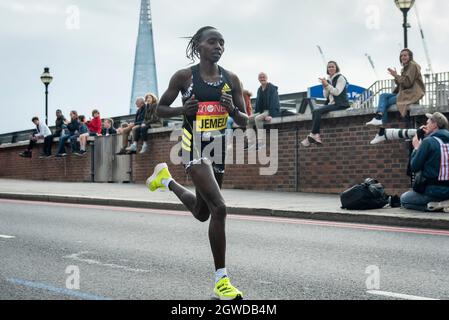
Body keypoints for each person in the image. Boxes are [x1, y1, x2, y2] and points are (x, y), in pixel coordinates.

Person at [146, 26, 248, 300]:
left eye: (222, 43)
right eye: (212, 41)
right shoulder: (184, 77)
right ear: (199, 46)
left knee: (203, 213)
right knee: (220, 208)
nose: (218, 47)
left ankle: (165, 179)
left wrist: (232, 109)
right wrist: (182, 110)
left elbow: (245, 121)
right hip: (193, 148)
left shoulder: (231, 79)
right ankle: (221, 282)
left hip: (217, 149)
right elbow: (159, 110)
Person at [367, 49, 425, 144]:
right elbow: (401, 84)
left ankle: (381, 129)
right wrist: (396, 76)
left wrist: (396, 75)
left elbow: (407, 83)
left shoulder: (413, 66)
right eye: (401, 56)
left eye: (405, 55)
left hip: (411, 93)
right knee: (383, 96)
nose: (403, 57)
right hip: (404, 92)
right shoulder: (405, 68)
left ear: (410, 56)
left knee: (386, 102)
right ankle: (379, 117)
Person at [401, 112, 449, 211]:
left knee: (404, 199)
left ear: (435, 124)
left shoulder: (428, 142)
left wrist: (416, 148)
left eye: (428, 123)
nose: (425, 125)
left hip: (433, 191)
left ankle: (437, 206)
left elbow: (414, 167)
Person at [301, 61, 350, 147]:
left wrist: (327, 85)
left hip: (340, 104)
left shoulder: (341, 78)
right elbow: (326, 95)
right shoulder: (328, 79)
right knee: (315, 111)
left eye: (332, 66)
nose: (331, 68)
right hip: (332, 104)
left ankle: (314, 135)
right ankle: (315, 135)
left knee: (318, 111)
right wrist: (325, 86)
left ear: (336, 68)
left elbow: (337, 92)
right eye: (329, 67)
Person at [247, 72, 281, 149]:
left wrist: (270, 115)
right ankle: (251, 143)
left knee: (258, 118)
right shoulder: (259, 89)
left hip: (270, 110)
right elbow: (258, 104)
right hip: (262, 111)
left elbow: (274, 102)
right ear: (258, 79)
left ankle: (261, 143)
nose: (262, 78)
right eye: (260, 77)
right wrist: (256, 113)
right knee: (248, 119)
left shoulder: (272, 88)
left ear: (266, 78)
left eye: (264, 77)